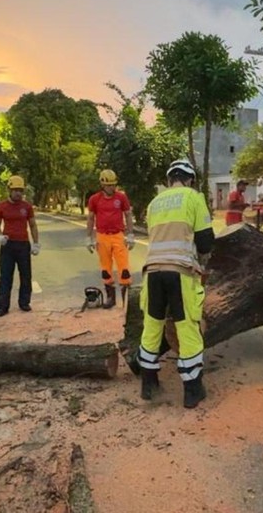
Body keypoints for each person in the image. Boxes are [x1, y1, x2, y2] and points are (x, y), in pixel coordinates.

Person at [136, 159, 215, 409]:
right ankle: (192, 391)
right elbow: (205, 241)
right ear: (190, 179)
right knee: (187, 328)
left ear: (170, 179)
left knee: (152, 327)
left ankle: (148, 385)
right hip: (180, 273)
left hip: (152, 273)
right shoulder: (193, 197)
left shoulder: (154, 203)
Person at [86, 169, 135, 309]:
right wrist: (89, 238)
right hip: (102, 237)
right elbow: (91, 218)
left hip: (118, 235)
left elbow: (128, 215)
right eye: (109, 185)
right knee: (106, 269)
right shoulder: (94, 199)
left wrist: (130, 234)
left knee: (124, 269)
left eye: (113, 185)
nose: (112, 188)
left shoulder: (121, 197)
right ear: (102, 185)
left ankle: (127, 300)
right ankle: (110, 298)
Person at [0, 176, 40, 317]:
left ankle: (24, 302)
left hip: (23, 245)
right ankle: (3, 306)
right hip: (8, 245)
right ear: (9, 190)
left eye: (20, 190)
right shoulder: (1, 206)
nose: (18, 193)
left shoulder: (27, 206)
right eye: (15, 190)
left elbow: (33, 225)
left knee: (25, 275)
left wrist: (36, 243)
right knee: (5, 276)